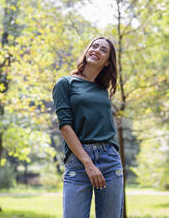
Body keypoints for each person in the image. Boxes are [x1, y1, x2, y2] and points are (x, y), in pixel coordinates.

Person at [52, 37, 123, 218]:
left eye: (103, 50)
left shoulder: (102, 90)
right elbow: (65, 127)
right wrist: (88, 163)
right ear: (87, 50)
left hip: (109, 159)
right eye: (94, 46)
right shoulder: (65, 83)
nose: (96, 50)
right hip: (78, 160)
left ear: (107, 62)